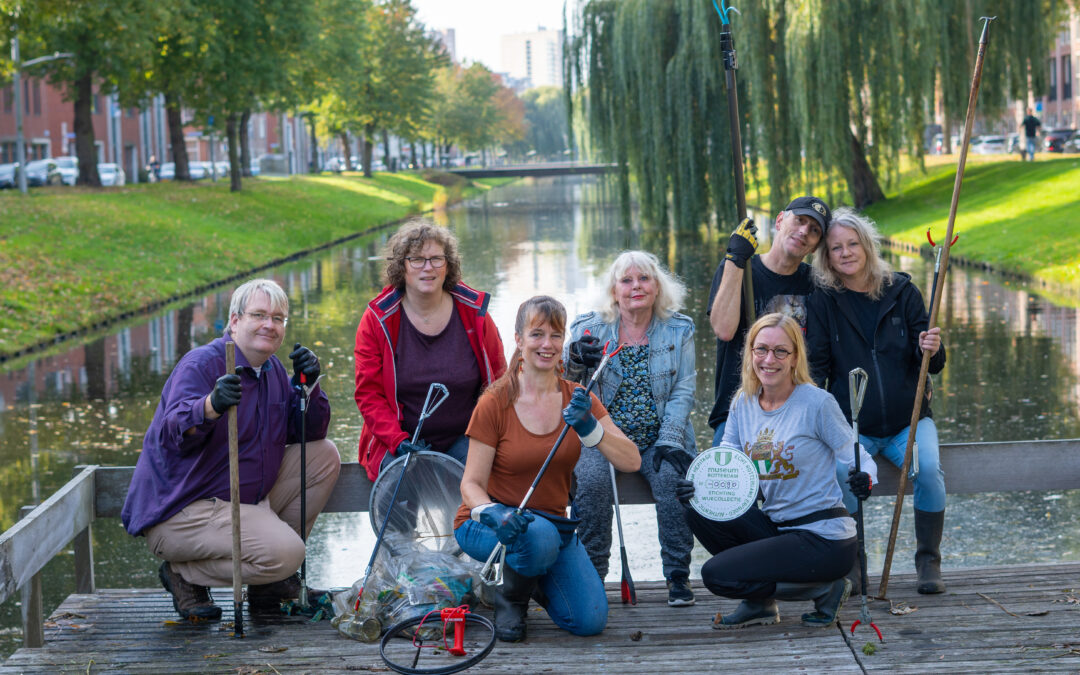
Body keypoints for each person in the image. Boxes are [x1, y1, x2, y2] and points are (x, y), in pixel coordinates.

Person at [121, 279, 341, 620]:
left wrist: (309, 385)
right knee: (287, 553)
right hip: (183, 510)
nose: (270, 324)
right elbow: (171, 432)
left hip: (240, 500)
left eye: (278, 318)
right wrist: (209, 406)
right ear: (235, 321)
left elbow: (308, 433)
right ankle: (182, 573)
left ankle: (268, 587)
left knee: (323, 456)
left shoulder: (273, 372)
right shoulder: (201, 365)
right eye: (259, 314)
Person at [455, 296, 640, 642]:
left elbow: (631, 461)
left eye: (556, 336)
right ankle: (510, 597)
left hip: (553, 528)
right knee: (536, 537)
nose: (547, 344)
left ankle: (529, 574)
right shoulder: (493, 402)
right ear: (519, 340)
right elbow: (470, 485)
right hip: (490, 525)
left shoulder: (579, 399)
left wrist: (591, 429)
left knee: (589, 621)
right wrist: (493, 512)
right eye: (536, 334)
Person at [676, 313, 877, 629]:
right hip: (776, 528)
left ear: (795, 357)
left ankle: (826, 587)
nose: (769, 359)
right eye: (761, 349)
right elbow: (727, 458)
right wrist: (698, 484)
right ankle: (761, 605)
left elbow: (858, 456)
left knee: (717, 575)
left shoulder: (817, 403)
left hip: (822, 537)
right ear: (750, 353)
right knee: (698, 510)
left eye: (780, 351)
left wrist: (865, 479)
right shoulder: (743, 401)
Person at [806, 207, 948, 594]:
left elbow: (933, 364)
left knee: (930, 470)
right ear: (827, 257)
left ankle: (928, 563)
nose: (846, 252)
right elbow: (816, 367)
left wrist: (931, 348)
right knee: (839, 477)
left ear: (867, 246)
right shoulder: (823, 301)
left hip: (909, 420)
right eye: (837, 248)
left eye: (853, 244)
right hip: (853, 427)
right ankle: (853, 566)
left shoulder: (902, 291)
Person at [563, 250, 698, 607]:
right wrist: (575, 358)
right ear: (613, 290)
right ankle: (593, 578)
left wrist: (670, 440)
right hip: (600, 438)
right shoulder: (588, 329)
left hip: (661, 438)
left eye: (644, 279)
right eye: (626, 280)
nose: (636, 286)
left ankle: (678, 577)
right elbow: (566, 384)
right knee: (590, 483)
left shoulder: (679, 329)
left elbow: (683, 392)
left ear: (657, 287)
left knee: (674, 480)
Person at [354, 219, 506, 481]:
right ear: (402, 265)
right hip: (399, 443)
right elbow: (369, 394)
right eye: (417, 259)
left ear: (448, 265)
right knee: (397, 490)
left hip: (466, 438)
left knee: (480, 492)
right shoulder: (377, 319)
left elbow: (500, 379)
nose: (428, 268)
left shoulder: (474, 313)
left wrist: (485, 430)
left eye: (436, 259)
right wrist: (398, 441)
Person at [707, 196, 831, 445]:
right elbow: (723, 329)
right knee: (724, 478)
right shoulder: (738, 267)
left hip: (795, 416)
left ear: (816, 245)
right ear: (780, 220)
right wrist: (735, 258)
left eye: (814, 230)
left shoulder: (817, 284)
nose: (804, 231)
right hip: (736, 414)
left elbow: (822, 355)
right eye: (799, 220)